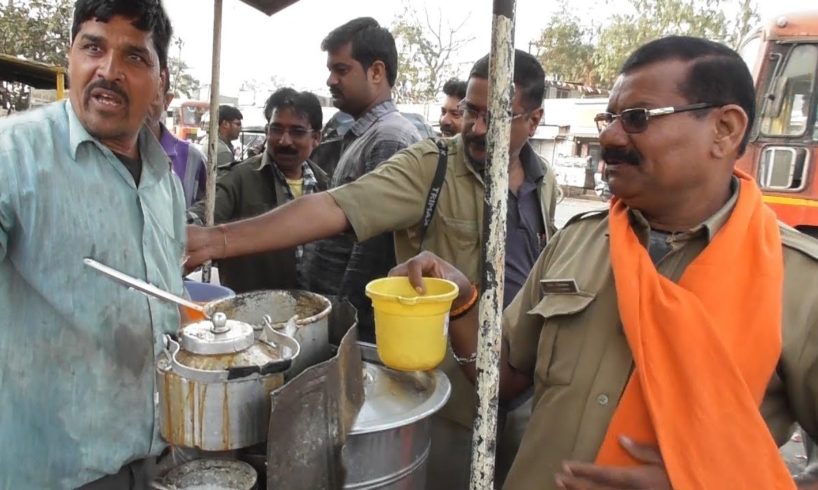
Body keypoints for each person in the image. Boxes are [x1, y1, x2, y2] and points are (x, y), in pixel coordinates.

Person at [390, 36, 818, 490]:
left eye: (636, 118)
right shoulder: (578, 243)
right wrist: (461, 300)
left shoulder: (799, 286)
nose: (609, 136)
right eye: (609, 117)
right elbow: (503, 380)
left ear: (725, 129)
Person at [185, 49, 559, 489]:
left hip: (526, 392)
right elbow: (333, 207)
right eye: (470, 112)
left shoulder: (544, 182)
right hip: (455, 402)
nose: (476, 129)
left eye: (494, 117)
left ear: (533, 121)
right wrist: (219, 240)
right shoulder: (431, 165)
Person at [0, 1, 185, 488]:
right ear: (71, 56)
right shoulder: (12, 157)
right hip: (51, 472)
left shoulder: (167, 179)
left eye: (134, 57)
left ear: (160, 80)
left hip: (160, 462)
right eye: (93, 47)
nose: (109, 71)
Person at [302, 17, 421, 337]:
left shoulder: (389, 139)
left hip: (351, 328)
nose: (330, 80)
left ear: (377, 72)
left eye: (341, 70)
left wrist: (347, 327)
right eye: (330, 70)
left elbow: (371, 254)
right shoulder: (365, 134)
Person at [188, 88, 328, 293]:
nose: (284, 141)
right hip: (253, 314)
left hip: (313, 311)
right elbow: (204, 214)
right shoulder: (239, 178)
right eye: (277, 130)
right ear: (267, 132)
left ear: (316, 137)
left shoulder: (325, 185)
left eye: (297, 132)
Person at [146, 69, 207, 207]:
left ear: (166, 100)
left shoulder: (193, 160)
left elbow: (207, 217)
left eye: (148, 94)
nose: (135, 104)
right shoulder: (94, 154)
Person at [216, 104, 243, 172]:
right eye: (237, 124)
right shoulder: (223, 151)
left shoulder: (214, 143)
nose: (240, 128)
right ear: (225, 124)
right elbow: (229, 181)